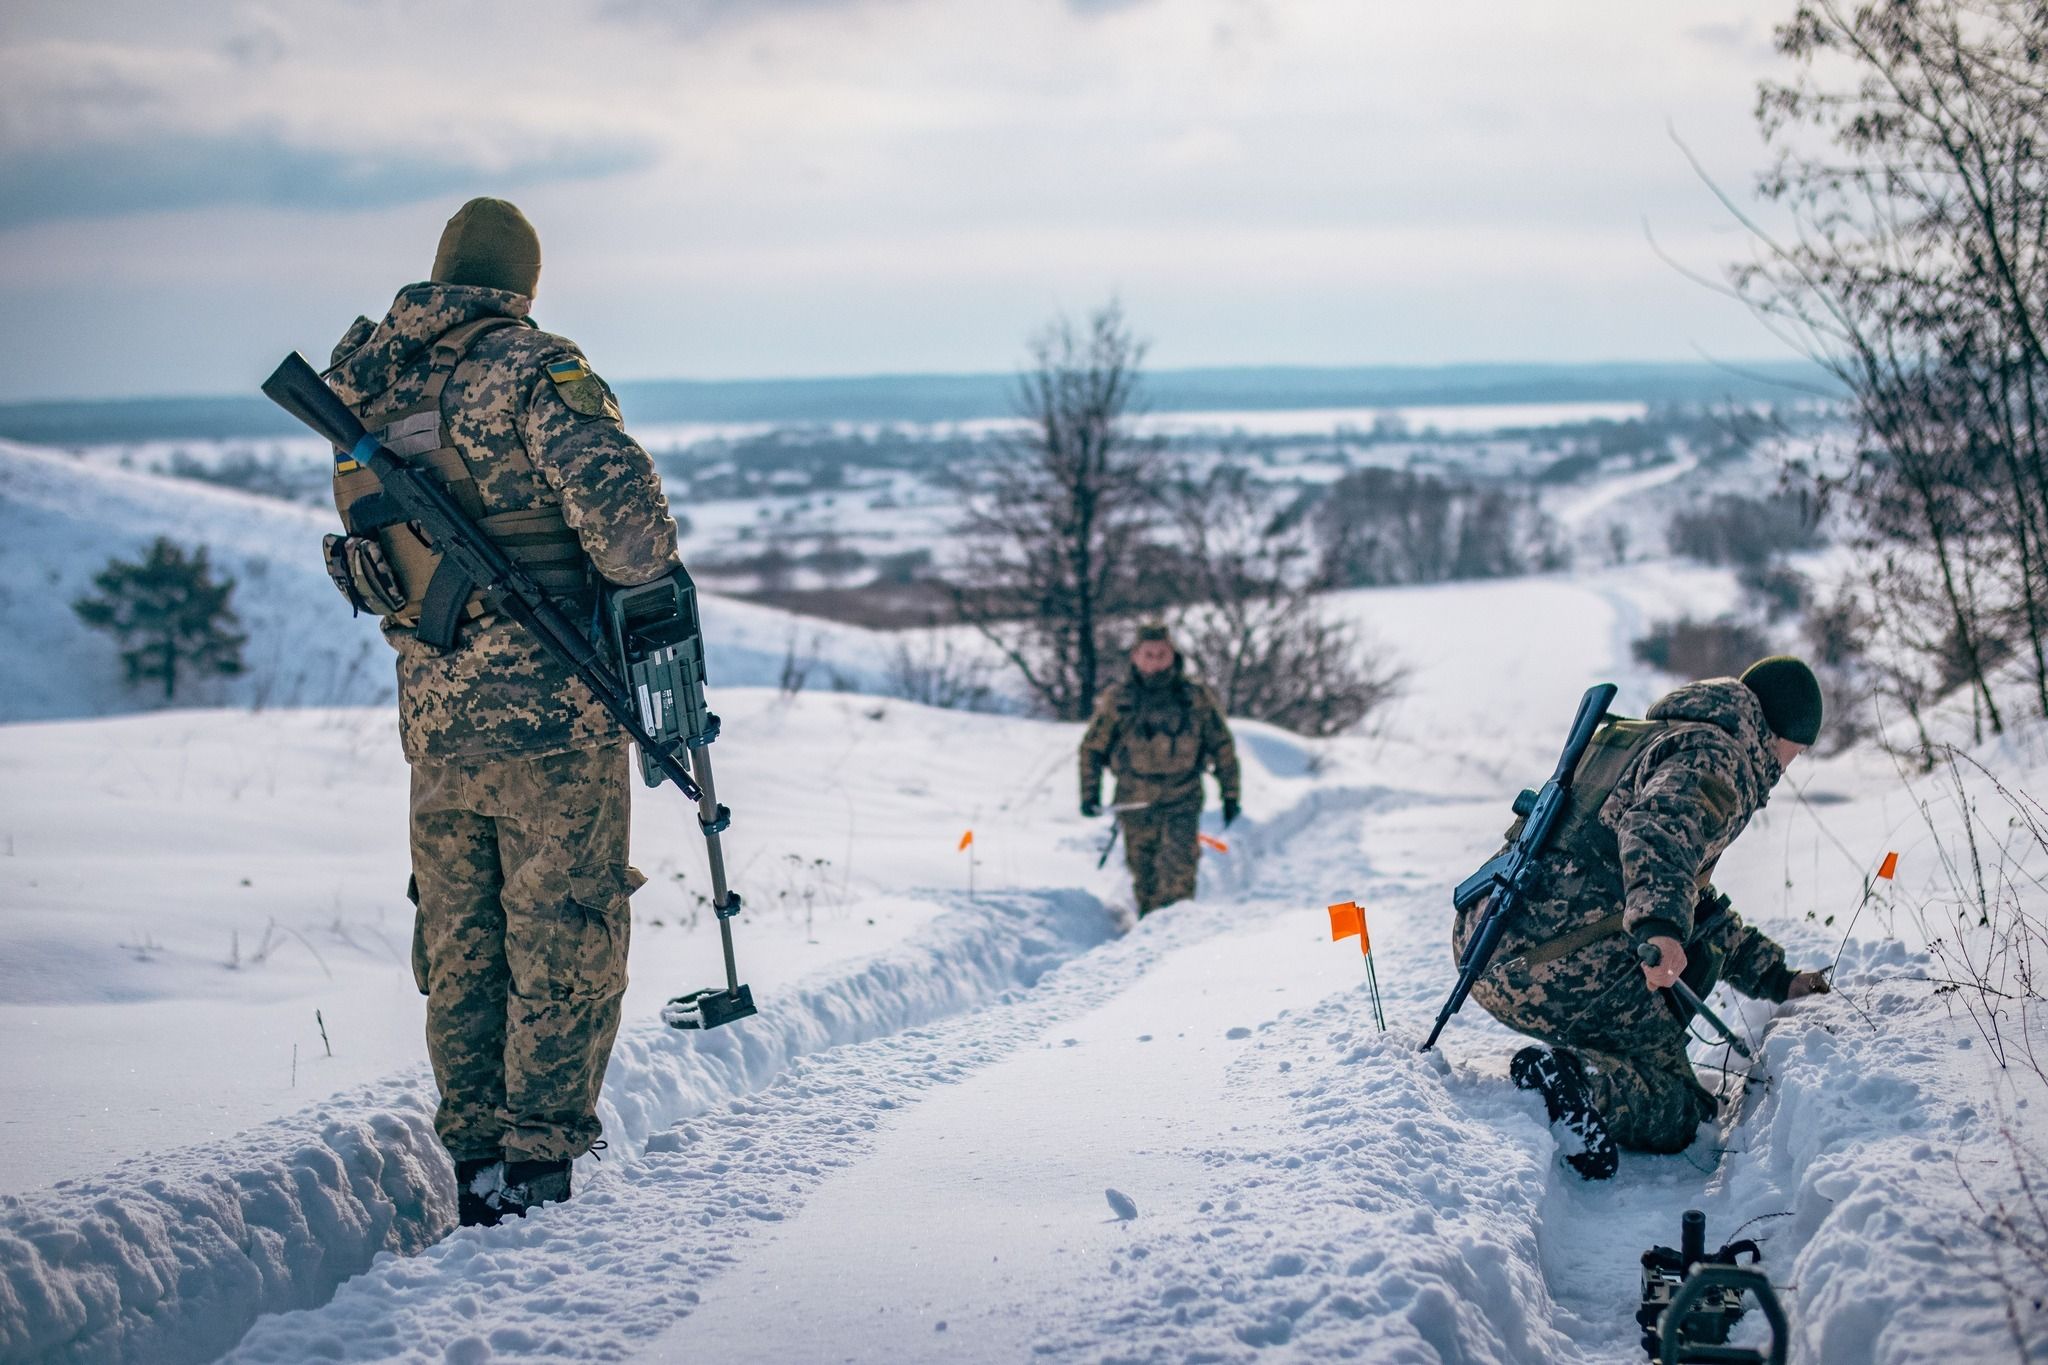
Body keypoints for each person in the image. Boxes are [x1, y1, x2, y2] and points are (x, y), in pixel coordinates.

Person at [321, 197, 681, 1225]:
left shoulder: (369, 389)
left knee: (463, 938)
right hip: (552, 715)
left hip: (434, 717)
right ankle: (537, 1169)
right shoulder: (531, 368)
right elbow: (632, 538)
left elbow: (373, 557)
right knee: (562, 929)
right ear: (521, 281)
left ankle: (472, 1156)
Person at [1453, 657, 1833, 1179]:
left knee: (1689, 943)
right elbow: (1655, 831)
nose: (1792, 764)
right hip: (1549, 965)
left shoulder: (1658, 734)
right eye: (1798, 750)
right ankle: (1578, 1080)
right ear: (1781, 732)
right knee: (1679, 1103)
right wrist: (1660, 928)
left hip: (1488, 944)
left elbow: (1695, 900)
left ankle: (1585, 1061)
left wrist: (1777, 978)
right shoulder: (1720, 755)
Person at [1079, 623, 1242, 917]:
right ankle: (1149, 946)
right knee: (1146, 881)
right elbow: (1092, 748)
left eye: (1162, 654)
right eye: (1148, 654)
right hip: (1135, 802)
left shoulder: (1194, 697)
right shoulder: (1119, 699)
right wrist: (1089, 793)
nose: (1155, 661)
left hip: (1182, 799)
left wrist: (1230, 793)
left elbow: (1221, 745)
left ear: (1173, 655)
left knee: (1178, 878)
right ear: (1135, 656)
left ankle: (1174, 943)